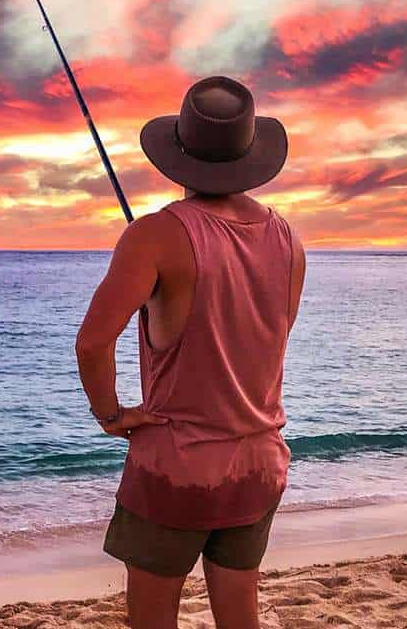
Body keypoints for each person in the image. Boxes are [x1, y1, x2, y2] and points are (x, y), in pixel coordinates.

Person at [75, 75, 306, 629]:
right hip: (259, 461)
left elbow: (93, 342)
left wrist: (111, 414)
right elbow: (263, 339)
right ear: (248, 154)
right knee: (239, 615)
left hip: (178, 468)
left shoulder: (154, 235)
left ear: (178, 153)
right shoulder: (288, 239)